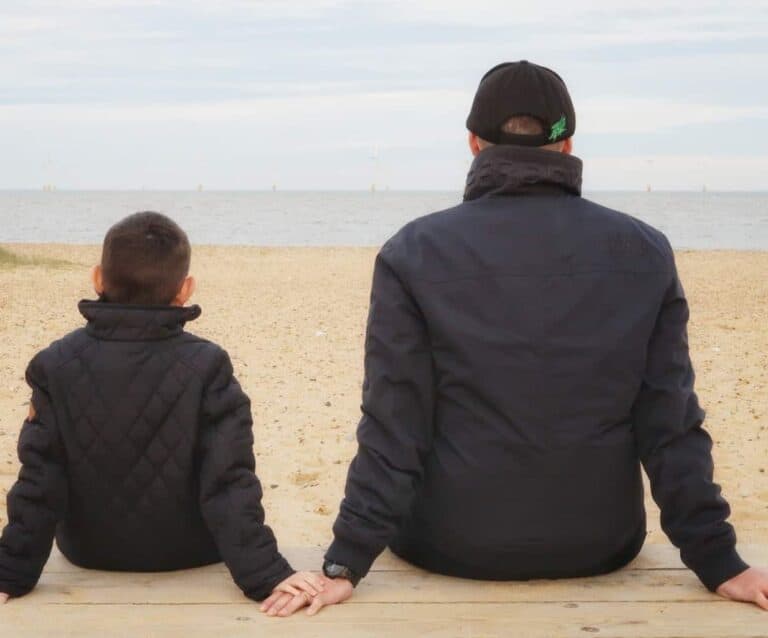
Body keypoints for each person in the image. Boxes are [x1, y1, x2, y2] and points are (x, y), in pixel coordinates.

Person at [262, 60, 768, 617]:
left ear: (474, 143)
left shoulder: (413, 251)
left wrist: (345, 562)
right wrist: (720, 562)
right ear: (568, 142)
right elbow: (668, 420)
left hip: (449, 544)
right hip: (598, 544)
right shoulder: (643, 250)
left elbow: (394, 422)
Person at [0, 212, 323, 605]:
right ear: (185, 289)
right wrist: (265, 575)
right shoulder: (208, 365)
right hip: (191, 553)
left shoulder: (54, 364)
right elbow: (229, 480)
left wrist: (10, 574)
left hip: (88, 552)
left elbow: (40, 481)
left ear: (98, 278)